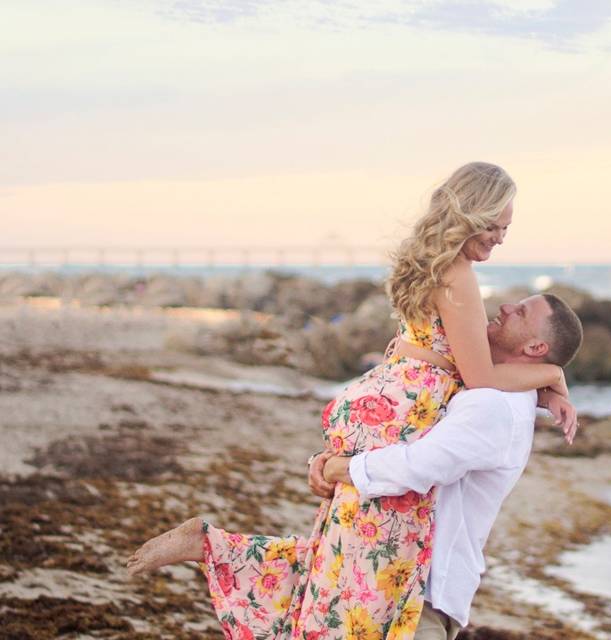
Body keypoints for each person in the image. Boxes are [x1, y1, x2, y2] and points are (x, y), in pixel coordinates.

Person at [126, 162, 578, 639]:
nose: (501, 238)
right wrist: (550, 375)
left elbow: (468, 372)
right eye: (496, 225)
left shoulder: (429, 262)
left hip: (383, 397)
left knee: (341, 552)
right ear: (471, 213)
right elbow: (481, 378)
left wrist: (539, 385)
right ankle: (221, 551)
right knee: (368, 567)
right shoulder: (460, 275)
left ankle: (218, 548)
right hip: (407, 411)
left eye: (506, 229)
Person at [311, 293, 584, 640]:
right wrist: (551, 382)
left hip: (421, 594)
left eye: (521, 312)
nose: (505, 307)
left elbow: (419, 466)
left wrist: (340, 470)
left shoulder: (496, 405)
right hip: (393, 578)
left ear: (534, 348)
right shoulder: (484, 387)